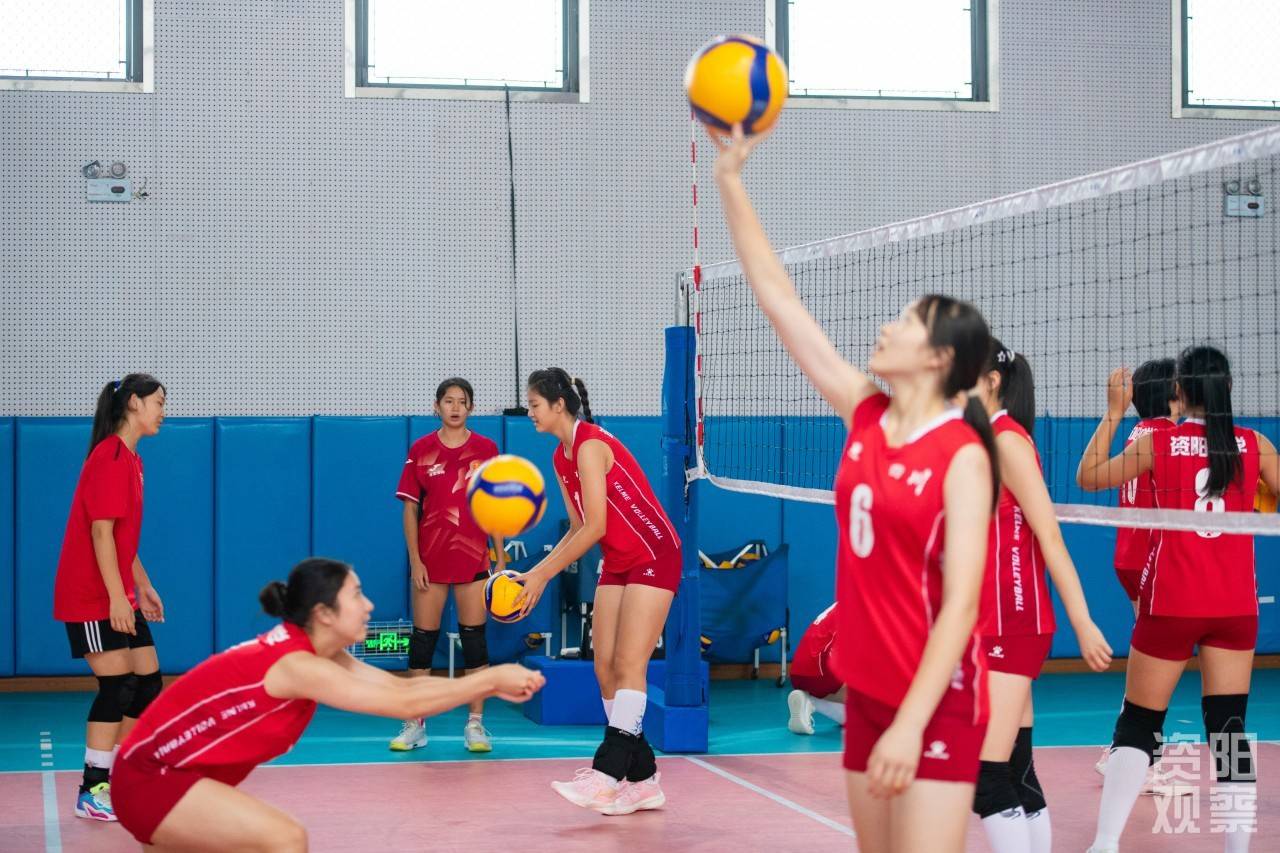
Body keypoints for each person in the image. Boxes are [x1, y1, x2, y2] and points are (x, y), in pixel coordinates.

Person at [711, 123, 998, 852]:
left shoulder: (963, 455)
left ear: (939, 358)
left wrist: (911, 722)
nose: (885, 328)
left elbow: (962, 605)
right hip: (867, 688)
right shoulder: (865, 413)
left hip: (935, 697)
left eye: (904, 323)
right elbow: (780, 301)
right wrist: (730, 181)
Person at [110, 557, 544, 851]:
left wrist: (486, 683)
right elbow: (404, 702)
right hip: (152, 780)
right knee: (286, 839)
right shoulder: (298, 665)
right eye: (356, 595)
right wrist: (490, 679)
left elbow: (401, 693)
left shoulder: (320, 653)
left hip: (171, 777)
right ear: (324, 613)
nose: (369, 605)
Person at [1078, 347, 1276, 853]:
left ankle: (1105, 842)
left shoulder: (1158, 443)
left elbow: (1088, 476)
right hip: (1235, 605)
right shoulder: (1256, 445)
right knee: (1229, 729)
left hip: (1171, 600)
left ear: (1181, 392)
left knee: (1139, 723)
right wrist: (1256, 500)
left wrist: (1114, 412)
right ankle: (1237, 848)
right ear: (1227, 389)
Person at [515, 367, 680, 816]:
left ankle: (606, 776)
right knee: (604, 668)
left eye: (534, 405)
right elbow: (577, 526)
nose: (530, 413)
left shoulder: (589, 446)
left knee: (629, 665)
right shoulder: (560, 456)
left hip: (654, 554)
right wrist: (536, 572)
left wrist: (542, 576)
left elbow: (596, 527)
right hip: (619, 560)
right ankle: (643, 781)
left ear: (558, 405)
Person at [972, 341, 1112, 853]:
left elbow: (1049, 537)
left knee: (986, 777)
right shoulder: (984, 439)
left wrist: (1083, 621)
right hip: (994, 619)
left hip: (1014, 621)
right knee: (1016, 768)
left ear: (991, 381)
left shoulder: (1008, 441)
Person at [53, 374, 168, 821]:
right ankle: (92, 789)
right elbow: (100, 533)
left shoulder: (133, 460)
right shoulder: (109, 457)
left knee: (148, 682)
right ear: (134, 403)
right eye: (159, 402)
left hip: (118, 591)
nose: (163, 412)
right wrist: (117, 598)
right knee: (117, 686)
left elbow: (122, 538)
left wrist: (142, 585)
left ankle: (124, 776)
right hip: (91, 595)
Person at [390, 377, 504, 753]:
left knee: (475, 642)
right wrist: (416, 561)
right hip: (431, 561)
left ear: (471, 407)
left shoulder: (487, 449)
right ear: (436, 406)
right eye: (448, 401)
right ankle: (415, 724)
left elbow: (494, 507)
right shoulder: (421, 450)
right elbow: (410, 510)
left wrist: (500, 558)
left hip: (473, 559)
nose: (455, 407)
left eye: (462, 401)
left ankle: (476, 725)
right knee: (422, 643)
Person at [786, 602, 846, 735]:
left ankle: (809, 701)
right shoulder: (871, 604)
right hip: (823, 669)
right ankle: (813, 702)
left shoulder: (846, 600)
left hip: (799, 670)